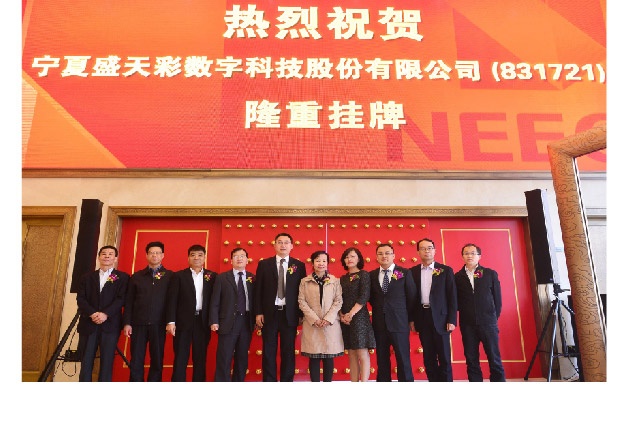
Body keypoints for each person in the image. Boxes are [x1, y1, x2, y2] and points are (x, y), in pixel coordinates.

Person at [253, 232, 307, 382]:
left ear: (292, 246)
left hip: (289, 314)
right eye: (280, 242)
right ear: (275, 245)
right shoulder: (264, 264)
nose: (283, 245)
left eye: (286, 242)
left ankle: (286, 381)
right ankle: (269, 381)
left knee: (288, 351)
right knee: (268, 351)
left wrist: (301, 314)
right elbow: (258, 290)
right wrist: (258, 312)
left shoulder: (299, 266)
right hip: (269, 314)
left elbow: (302, 292)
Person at [454, 243, 506, 382]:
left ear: (479, 256)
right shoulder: (457, 277)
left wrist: (492, 318)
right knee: (471, 360)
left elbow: (497, 299)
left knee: (494, 358)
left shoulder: (489, 274)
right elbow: (455, 301)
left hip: (488, 323)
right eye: (466, 253)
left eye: (473, 253)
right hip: (467, 324)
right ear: (462, 256)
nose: (469, 256)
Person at [76, 245, 129, 382]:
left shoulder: (122, 277)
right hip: (89, 323)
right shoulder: (87, 277)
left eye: (110, 254)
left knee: (107, 361)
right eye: (104, 253)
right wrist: (92, 313)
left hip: (110, 325)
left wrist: (105, 314)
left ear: (115, 258)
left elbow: (121, 299)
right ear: (99, 257)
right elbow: (81, 298)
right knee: (86, 360)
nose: (107, 256)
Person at [123, 241, 173, 382]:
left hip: (159, 324)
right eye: (151, 253)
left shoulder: (170, 276)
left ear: (162, 255)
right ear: (146, 255)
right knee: (136, 359)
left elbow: (172, 301)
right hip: (138, 324)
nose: (154, 255)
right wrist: (127, 323)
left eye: (157, 253)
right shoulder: (137, 276)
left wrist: (170, 321)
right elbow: (129, 302)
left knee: (157, 359)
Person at [165, 244, 216, 382]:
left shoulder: (212, 276)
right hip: (183, 322)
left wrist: (214, 320)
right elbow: (172, 300)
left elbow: (216, 301)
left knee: (200, 358)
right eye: (193, 255)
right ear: (188, 258)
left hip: (203, 322)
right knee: (180, 357)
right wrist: (171, 321)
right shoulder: (178, 276)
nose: (196, 258)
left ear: (204, 257)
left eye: (200, 255)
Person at [409, 238, 457, 382]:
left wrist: (452, 319)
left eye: (429, 248)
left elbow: (452, 296)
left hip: (441, 318)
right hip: (422, 317)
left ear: (434, 251)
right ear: (418, 252)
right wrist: (411, 319)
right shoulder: (412, 272)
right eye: (423, 248)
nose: (426, 251)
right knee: (428, 357)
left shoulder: (445, 270)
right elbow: (410, 299)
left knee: (444, 357)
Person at [368, 243, 416, 382]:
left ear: (393, 255)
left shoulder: (405, 273)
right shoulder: (371, 275)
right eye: (380, 253)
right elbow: (371, 298)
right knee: (382, 360)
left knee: (403, 359)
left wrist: (410, 319)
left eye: (387, 253)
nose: (384, 256)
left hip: (399, 323)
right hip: (379, 324)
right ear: (376, 257)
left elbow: (411, 297)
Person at [210, 247, 256, 382]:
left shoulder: (252, 278)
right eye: (236, 256)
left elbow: (257, 301)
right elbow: (215, 301)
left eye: (242, 256)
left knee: (242, 357)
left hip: (246, 322)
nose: (239, 258)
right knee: (224, 357)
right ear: (231, 260)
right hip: (227, 322)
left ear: (247, 260)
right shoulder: (222, 278)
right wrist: (214, 320)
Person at [298, 250, 344, 382]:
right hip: (312, 324)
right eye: (318, 260)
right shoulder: (305, 281)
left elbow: (338, 301)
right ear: (312, 263)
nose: (321, 263)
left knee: (329, 357)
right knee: (314, 357)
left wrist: (328, 319)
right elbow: (301, 301)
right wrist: (315, 319)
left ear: (328, 263)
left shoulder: (335, 281)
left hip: (330, 324)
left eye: (324, 261)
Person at [339, 247, 375, 382]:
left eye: (352, 256)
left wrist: (351, 314)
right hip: (345, 319)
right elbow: (338, 299)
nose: (349, 259)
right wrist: (342, 315)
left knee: (362, 352)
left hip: (359, 317)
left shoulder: (364, 275)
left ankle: (364, 383)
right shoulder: (342, 279)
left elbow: (364, 296)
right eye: (347, 257)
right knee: (351, 353)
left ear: (359, 259)